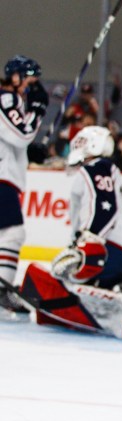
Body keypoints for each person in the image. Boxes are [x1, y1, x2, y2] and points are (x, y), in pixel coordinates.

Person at [18, 126, 122, 340]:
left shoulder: (96, 167)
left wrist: (90, 242)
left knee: (53, 279)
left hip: (107, 252)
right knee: (64, 278)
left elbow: (102, 206)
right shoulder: (108, 173)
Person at [0, 54, 48, 318]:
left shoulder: (12, 101)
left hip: (5, 176)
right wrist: (39, 110)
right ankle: (1, 293)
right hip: (2, 179)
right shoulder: (6, 99)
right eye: (29, 81)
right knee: (12, 234)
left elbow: (16, 140)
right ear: (15, 77)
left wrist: (31, 150)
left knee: (6, 235)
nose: (33, 88)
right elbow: (21, 134)